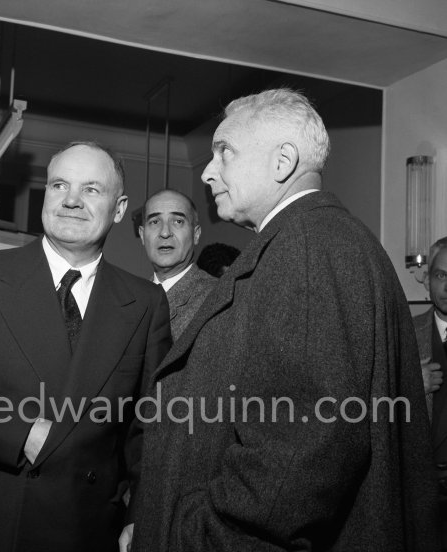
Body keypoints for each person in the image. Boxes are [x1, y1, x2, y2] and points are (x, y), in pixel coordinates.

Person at [132, 88, 439, 551]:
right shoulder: (310, 240)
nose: (209, 171)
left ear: (283, 161)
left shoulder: (308, 247)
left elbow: (300, 451)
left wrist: (192, 534)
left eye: (224, 152)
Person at [0, 142, 171, 552]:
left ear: (119, 209)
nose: (71, 200)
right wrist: (24, 434)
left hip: (82, 527)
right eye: (59, 185)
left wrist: (141, 515)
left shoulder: (145, 303)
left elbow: (149, 429)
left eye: (91, 189)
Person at [139, 190, 216, 341]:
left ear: (196, 234)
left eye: (178, 221)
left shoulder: (217, 297)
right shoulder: (130, 300)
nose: (165, 233)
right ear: (142, 235)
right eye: (155, 222)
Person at [414, 236, 447, 549]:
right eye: (441, 275)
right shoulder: (402, 334)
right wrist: (411, 386)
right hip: (419, 489)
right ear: (428, 281)